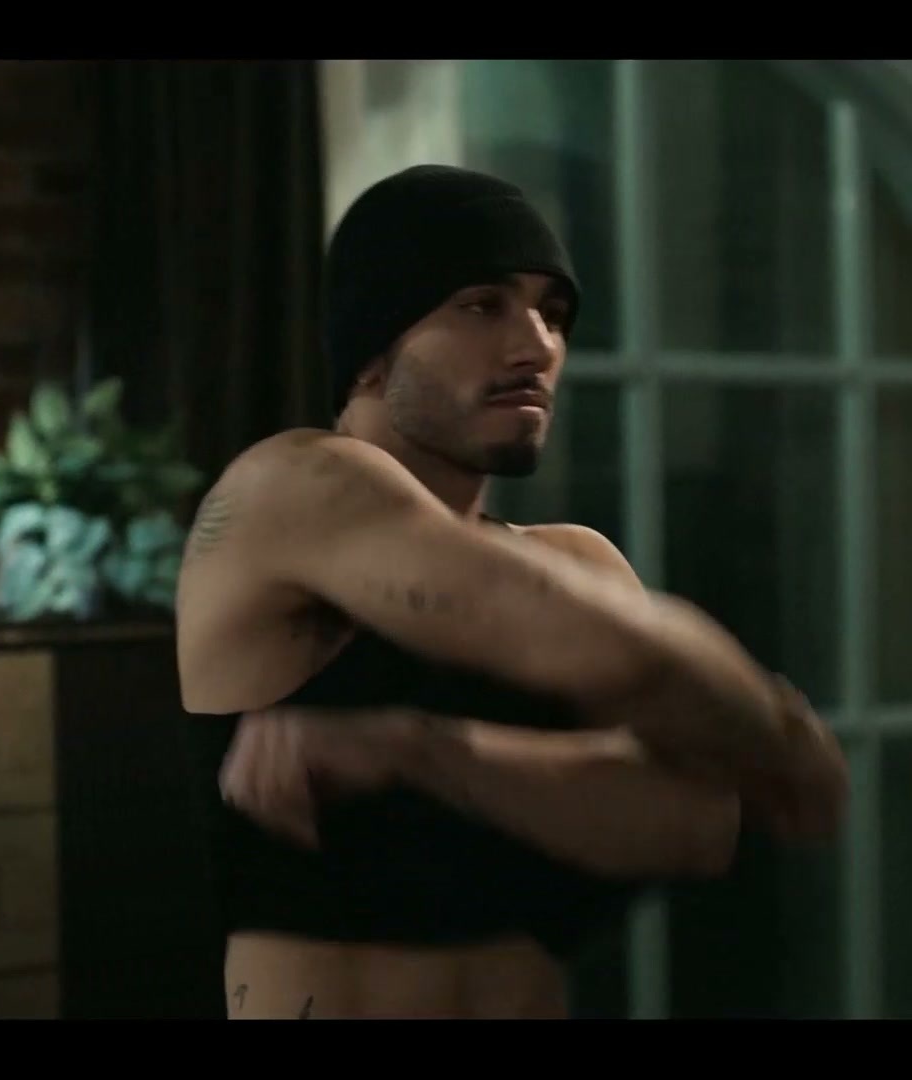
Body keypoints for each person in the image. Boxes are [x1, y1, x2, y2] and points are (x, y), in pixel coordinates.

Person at [176, 164, 848, 1020]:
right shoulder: (289, 489)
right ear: (374, 352)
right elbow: (601, 650)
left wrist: (424, 752)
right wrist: (786, 740)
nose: (537, 346)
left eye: (553, 313)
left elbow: (699, 823)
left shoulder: (574, 560)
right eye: (481, 305)